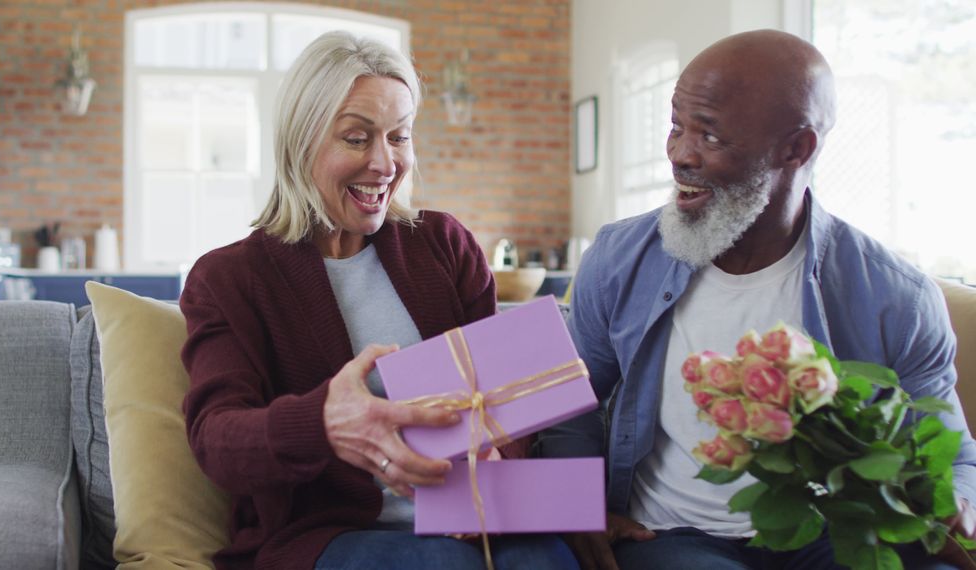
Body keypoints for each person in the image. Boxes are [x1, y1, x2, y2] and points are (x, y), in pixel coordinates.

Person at [540, 29, 976, 570]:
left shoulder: (897, 297)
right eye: (676, 127)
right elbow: (568, 402)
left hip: (830, 535)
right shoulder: (618, 258)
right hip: (675, 537)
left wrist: (956, 504)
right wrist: (578, 512)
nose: (680, 154)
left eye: (712, 137)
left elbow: (955, 455)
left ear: (797, 148)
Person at [179, 31, 577, 570]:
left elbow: (504, 405)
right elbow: (216, 441)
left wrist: (496, 458)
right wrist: (323, 421)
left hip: (473, 514)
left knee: (549, 560)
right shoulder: (229, 278)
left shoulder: (443, 244)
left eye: (399, 136)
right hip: (332, 533)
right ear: (300, 142)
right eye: (356, 138)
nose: (385, 163)